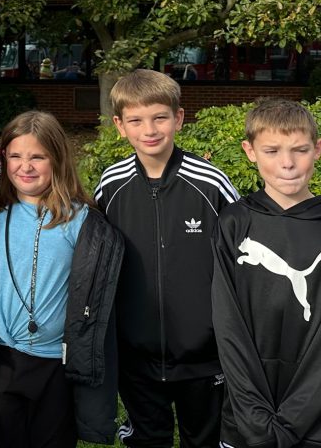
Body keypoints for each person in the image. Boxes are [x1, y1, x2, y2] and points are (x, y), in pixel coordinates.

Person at [212, 99, 321, 448]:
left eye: (299, 150)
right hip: (247, 418)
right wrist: (254, 417)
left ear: (318, 149)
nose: (287, 163)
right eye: (271, 150)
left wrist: (293, 419)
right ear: (249, 151)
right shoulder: (234, 223)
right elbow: (227, 327)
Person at [93, 69, 239, 448]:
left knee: (204, 439)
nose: (150, 129)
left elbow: (244, 260)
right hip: (135, 354)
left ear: (178, 118)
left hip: (204, 356)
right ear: (119, 126)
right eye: (136, 120)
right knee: (146, 438)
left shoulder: (211, 183)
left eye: (159, 117)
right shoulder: (111, 185)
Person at [0, 111, 124, 447]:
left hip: (56, 362)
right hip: (3, 358)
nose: (25, 166)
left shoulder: (81, 221)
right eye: (15, 156)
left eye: (37, 157)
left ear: (57, 159)